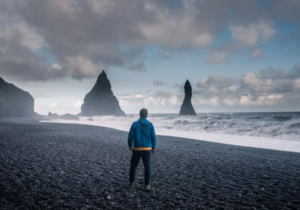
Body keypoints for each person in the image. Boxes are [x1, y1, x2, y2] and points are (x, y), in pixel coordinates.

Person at [128, 108, 156, 190]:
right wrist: (153, 147)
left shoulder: (135, 124)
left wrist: (130, 145)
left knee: (133, 165)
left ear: (139, 115)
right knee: (147, 166)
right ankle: (147, 185)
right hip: (147, 148)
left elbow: (130, 136)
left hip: (137, 148)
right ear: (147, 115)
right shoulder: (150, 125)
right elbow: (153, 137)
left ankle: (131, 183)